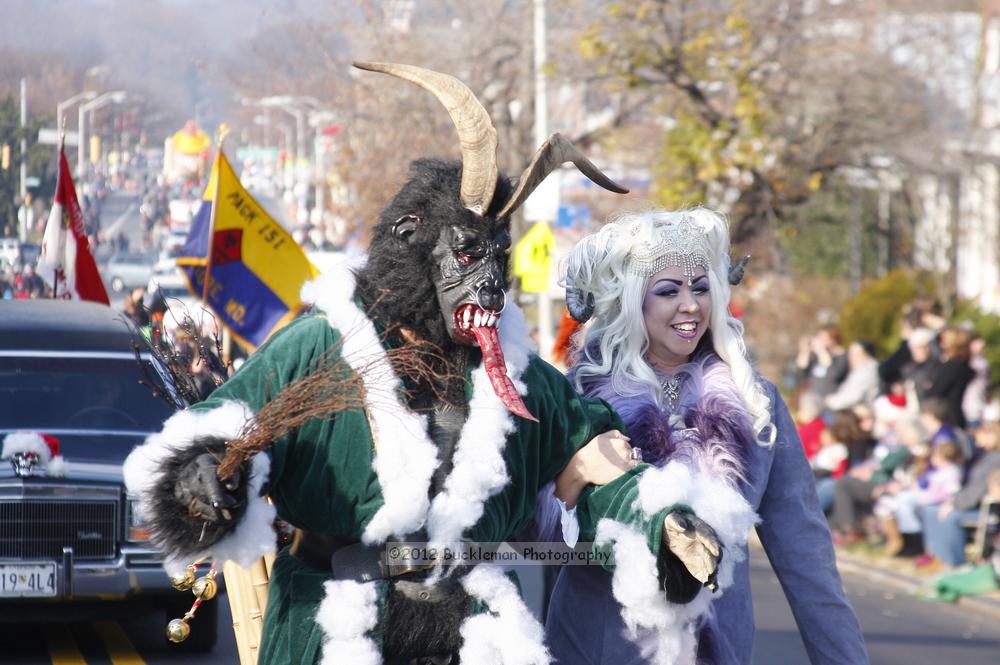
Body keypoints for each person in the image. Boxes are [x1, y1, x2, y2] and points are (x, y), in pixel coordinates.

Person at [123, 62, 634, 665]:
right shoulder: (318, 348)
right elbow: (223, 422)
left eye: (498, 257)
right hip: (335, 627)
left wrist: (663, 519)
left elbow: (599, 457)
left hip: (478, 636)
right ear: (414, 239)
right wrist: (204, 472)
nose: (490, 281)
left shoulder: (518, 377)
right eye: (469, 254)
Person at [545, 209, 868, 664]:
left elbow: (806, 558)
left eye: (701, 288)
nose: (691, 305)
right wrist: (575, 474)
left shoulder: (757, 404)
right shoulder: (577, 400)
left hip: (718, 647)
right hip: (601, 645)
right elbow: (535, 541)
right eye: (668, 290)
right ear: (632, 301)